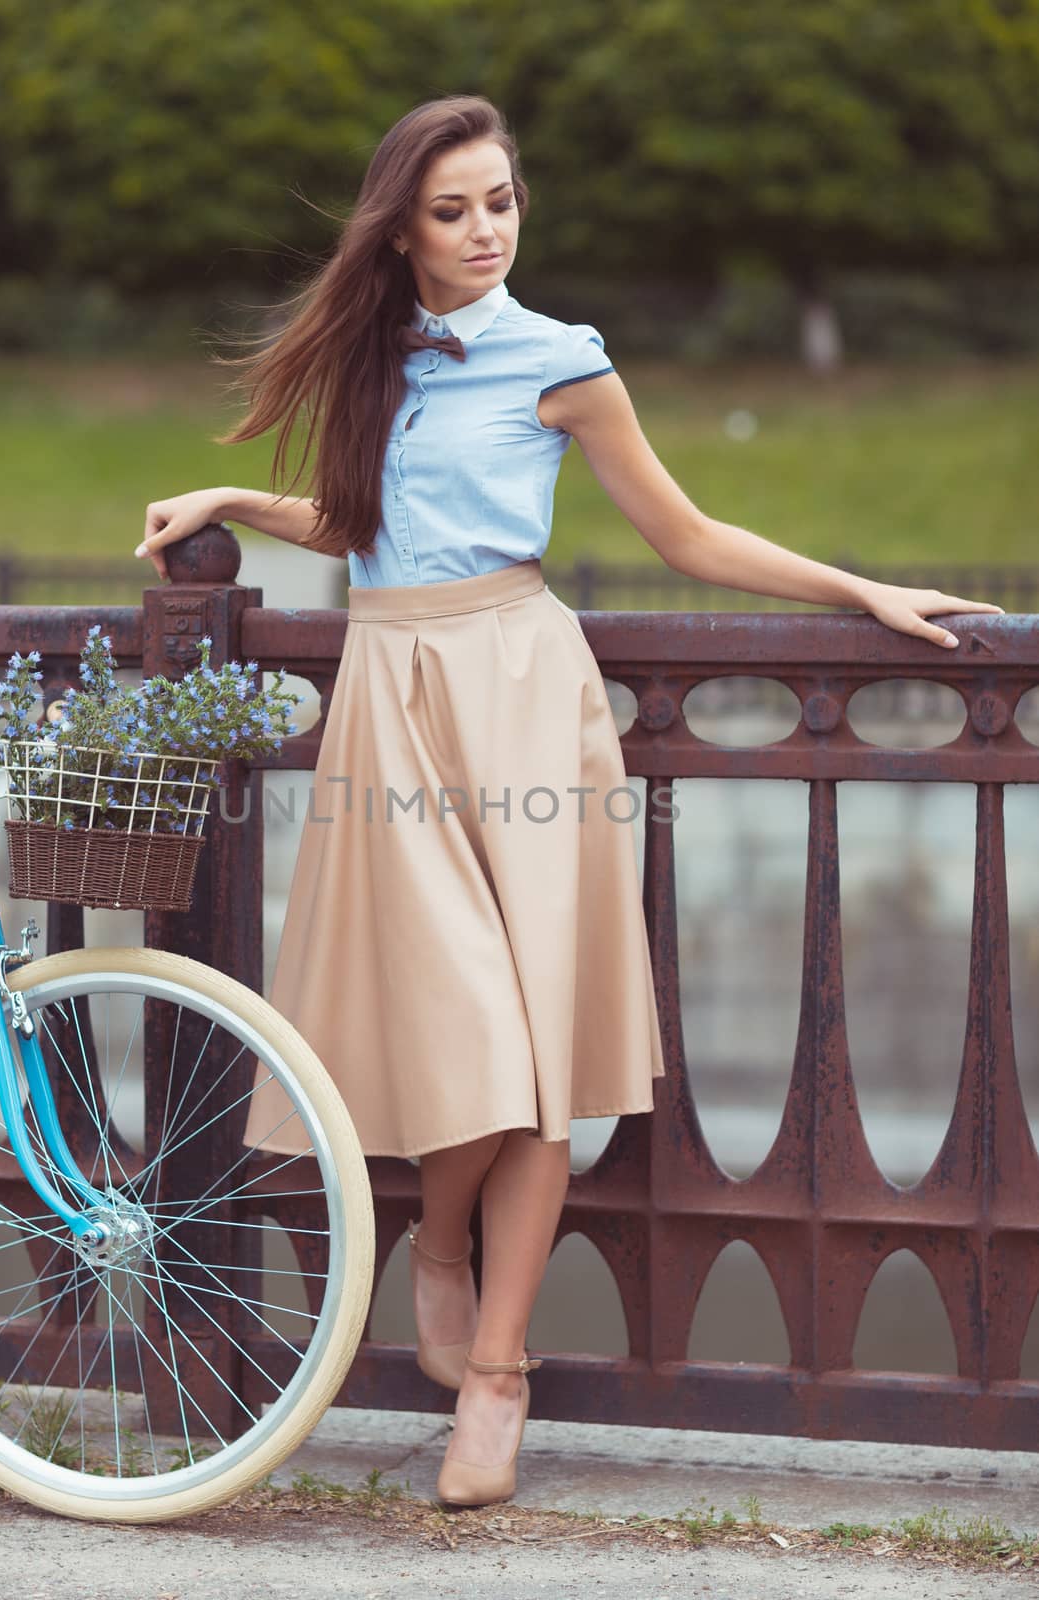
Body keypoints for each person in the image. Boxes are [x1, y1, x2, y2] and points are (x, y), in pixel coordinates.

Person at [133, 95, 1004, 1509]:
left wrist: (862, 591)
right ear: (400, 229)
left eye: (501, 203)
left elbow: (684, 531)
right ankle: (434, 1237)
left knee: (536, 1037)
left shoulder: (561, 362)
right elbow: (362, 526)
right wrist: (233, 491)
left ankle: (495, 1374)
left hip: (526, 695)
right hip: (393, 698)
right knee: (461, 1013)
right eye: (453, 210)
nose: (485, 231)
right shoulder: (375, 358)